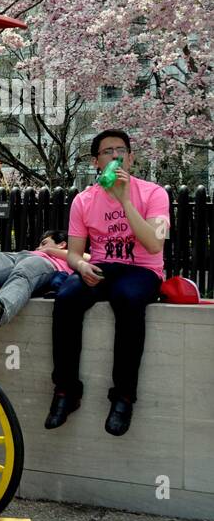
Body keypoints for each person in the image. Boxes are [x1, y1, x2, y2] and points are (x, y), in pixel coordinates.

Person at [46, 129, 170, 436]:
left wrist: (125, 200)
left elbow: (155, 245)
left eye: (121, 151)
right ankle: (66, 391)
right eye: (107, 152)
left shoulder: (155, 194)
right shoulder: (83, 200)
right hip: (102, 267)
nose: (115, 156)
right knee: (67, 297)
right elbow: (72, 254)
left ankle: (124, 396)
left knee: (127, 298)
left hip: (143, 270)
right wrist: (82, 265)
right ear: (96, 162)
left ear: (131, 157)